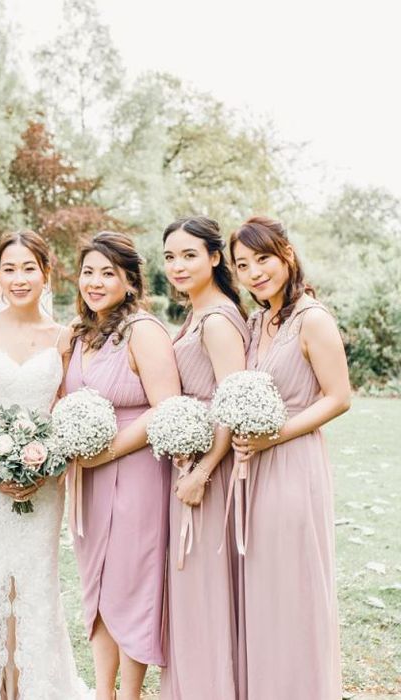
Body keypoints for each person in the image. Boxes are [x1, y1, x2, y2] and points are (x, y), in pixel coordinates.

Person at [0, 231, 88, 700]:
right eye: (8, 269)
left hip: (46, 481)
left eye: (28, 267)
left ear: (45, 274)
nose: (19, 278)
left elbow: (69, 411)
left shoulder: (64, 335)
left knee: (33, 584)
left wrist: (48, 466)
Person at [230, 216, 349, 699]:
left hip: (293, 462)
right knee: (263, 587)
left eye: (263, 259)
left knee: (293, 584)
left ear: (287, 256)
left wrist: (273, 436)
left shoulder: (311, 318)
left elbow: (338, 397)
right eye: (243, 265)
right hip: (253, 467)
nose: (255, 272)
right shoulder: (258, 320)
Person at [63, 231, 180, 700]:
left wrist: (106, 452)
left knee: (130, 585)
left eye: (107, 273)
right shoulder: (78, 334)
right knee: (97, 588)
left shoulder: (144, 330)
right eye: (88, 271)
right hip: (88, 479)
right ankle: (103, 692)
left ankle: (128, 694)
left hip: (136, 471)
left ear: (130, 281)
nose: (95, 281)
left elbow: (165, 405)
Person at [159, 217, 249, 699]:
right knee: (192, 590)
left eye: (189, 254)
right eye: (170, 256)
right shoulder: (196, 313)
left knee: (205, 589)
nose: (177, 265)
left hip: (211, 474)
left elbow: (230, 405)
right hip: (191, 465)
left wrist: (203, 472)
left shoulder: (216, 320)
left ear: (215, 257)